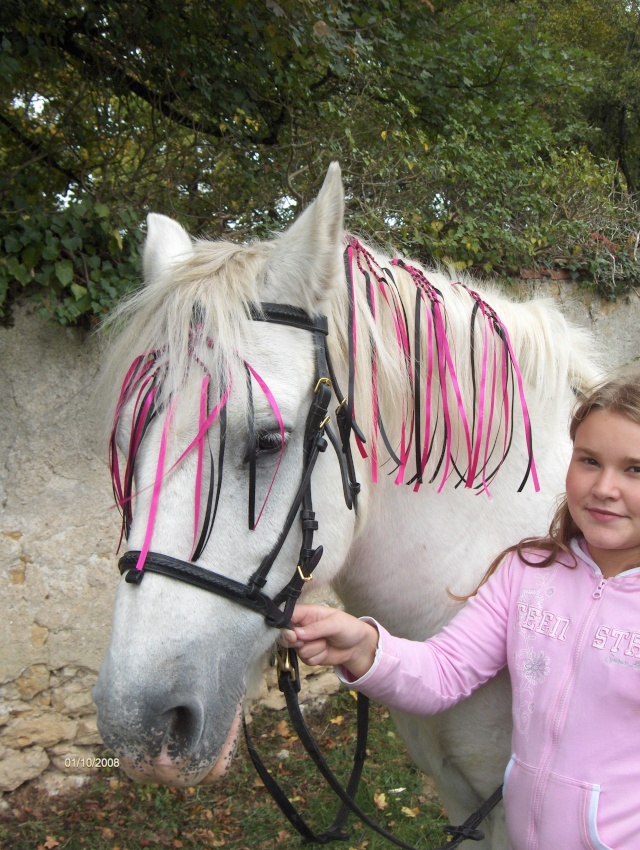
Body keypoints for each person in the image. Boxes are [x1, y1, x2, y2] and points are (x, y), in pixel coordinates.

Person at [280, 369, 640, 850]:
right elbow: (446, 671)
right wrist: (366, 646)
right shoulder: (526, 572)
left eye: (635, 469)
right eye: (589, 460)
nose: (604, 488)